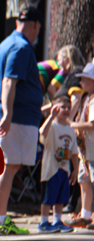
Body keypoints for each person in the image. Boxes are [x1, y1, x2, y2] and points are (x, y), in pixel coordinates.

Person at [0, 7, 44, 236]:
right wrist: (8, 115)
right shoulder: (21, 47)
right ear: (36, 25)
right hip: (14, 117)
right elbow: (9, 82)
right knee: (8, 168)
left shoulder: (4, 44)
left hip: (4, 114)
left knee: (7, 167)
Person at [36, 94, 78, 233]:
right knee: (48, 196)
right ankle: (43, 222)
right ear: (55, 108)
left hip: (64, 168)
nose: (66, 110)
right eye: (62, 107)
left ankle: (57, 220)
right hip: (51, 168)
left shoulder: (71, 129)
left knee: (61, 197)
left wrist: (75, 170)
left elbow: (73, 152)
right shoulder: (52, 125)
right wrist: (50, 116)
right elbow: (42, 132)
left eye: (68, 107)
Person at [68, 63, 94, 229]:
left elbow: (91, 124)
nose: (81, 83)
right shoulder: (86, 99)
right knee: (84, 180)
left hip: (92, 150)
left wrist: (73, 125)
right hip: (85, 151)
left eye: (85, 80)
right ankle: (85, 214)